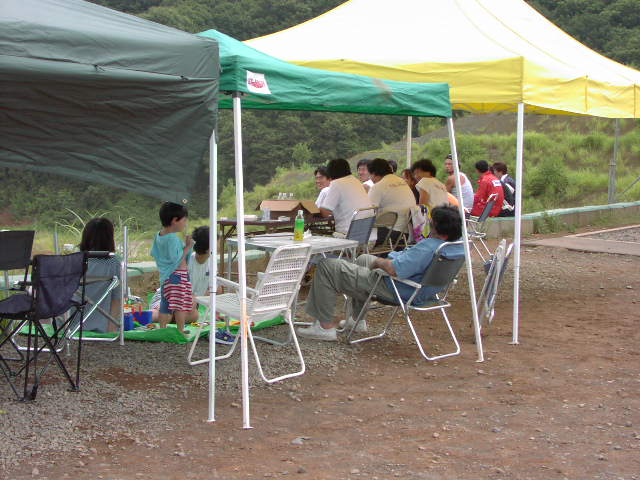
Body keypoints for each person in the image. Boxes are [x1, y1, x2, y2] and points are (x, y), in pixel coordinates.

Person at [297, 206, 464, 341]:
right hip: (423, 291)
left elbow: (394, 270)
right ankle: (356, 320)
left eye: (432, 222)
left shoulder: (429, 247)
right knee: (363, 259)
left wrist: (379, 262)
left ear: (439, 229)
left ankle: (324, 328)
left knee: (327, 266)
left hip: (396, 288)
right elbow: (410, 264)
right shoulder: (456, 248)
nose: (429, 223)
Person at [150, 202, 194, 334]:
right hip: (178, 275)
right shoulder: (173, 239)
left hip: (166, 276)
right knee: (180, 305)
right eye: (184, 221)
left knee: (165, 303)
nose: (185, 224)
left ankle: (162, 328)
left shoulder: (159, 235)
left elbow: (154, 253)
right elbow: (177, 259)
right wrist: (188, 246)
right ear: (175, 220)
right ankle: (180, 329)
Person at [78, 218, 121, 333]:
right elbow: (117, 299)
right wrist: (111, 330)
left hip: (69, 326)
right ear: (109, 238)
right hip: (101, 327)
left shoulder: (73, 260)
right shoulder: (114, 263)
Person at [319, 158, 371, 236]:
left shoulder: (336, 183)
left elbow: (325, 210)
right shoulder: (356, 181)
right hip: (367, 234)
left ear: (331, 173)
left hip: (349, 235)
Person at [367, 158, 416, 239]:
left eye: (370, 175)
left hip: (388, 233)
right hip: (406, 234)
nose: (370, 179)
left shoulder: (378, 186)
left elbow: (367, 212)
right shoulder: (402, 181)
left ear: (374, 173)